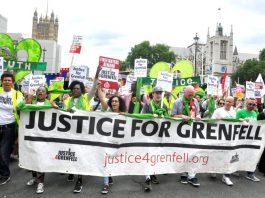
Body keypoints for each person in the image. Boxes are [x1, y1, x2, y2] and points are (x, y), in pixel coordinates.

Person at [63, 67, 100, 193]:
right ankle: (71, 171)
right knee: (71, 152)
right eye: (74, 88)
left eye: (78, 88)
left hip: (83, 131)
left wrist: (97, 74)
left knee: (80, 153)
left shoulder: (86, 98)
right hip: (70, 131)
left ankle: (79, 179)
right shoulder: (67, 100)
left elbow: (94, 88)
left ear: (82, 90)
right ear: (71, 89)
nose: (76, 90)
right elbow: (62, 113)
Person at [18, 86, 53, 194]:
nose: (40, 92)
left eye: (43, 91)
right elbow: (19, 107)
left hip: (43, 136)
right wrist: (27, 98)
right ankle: (34, 177)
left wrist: (55, 107)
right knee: (32, 157)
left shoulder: (49, 104)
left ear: (46, 94)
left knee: (40, 158)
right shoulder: (31, 102)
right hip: (30, 135)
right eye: (38, 91)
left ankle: (41, 182)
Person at [97, 85, 126, 194]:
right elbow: (101, 98)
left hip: (118, 142)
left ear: (120, 103)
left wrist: (125, 115)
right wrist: (99, 87)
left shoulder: (123, 114)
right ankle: (105, 184)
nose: (114, 103)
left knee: (113, 161)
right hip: (106, 141)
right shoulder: (107, 109)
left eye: (116, 101)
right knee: (106, 161)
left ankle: (109, 176)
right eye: (113, 101)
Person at [171, 85, 201, 187]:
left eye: (192, 95)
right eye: (189, 95)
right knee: (183, 152)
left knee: (193, 152)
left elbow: (198, 113)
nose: (191, 97)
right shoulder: (177, 102)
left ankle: (192, 175)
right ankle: (183, 173)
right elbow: (172, 116)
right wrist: (181, 116)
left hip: (192, 131)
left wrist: (198, 116)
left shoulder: (195, 102)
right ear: (185, 93)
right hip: (180, 132)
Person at [141, 86, 169, 192]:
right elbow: (142, 116)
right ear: (153, 94)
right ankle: (147, 177)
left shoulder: (164, 105)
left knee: (155, 155)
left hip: (159, 134)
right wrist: (152, 115)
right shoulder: (148, 104)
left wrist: (164, 114)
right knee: (148, 154)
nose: (158, 95)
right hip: (148, 133)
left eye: (160, 93)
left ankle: (153, 174)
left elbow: (168, 118)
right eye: (156, 93)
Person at [0, 72, 23, 185]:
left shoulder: (17, 94)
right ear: (2, 81)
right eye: (5, 80)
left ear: (12, 82)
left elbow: (19, 106)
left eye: (9, 80)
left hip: (9, 127)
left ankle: (5, 175)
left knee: (3, 152)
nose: (7, 82)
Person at [211, 96, 236, 186]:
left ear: (233, 103)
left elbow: (236, 123)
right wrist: (217, 119)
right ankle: (214, 169)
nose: (228, 103)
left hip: (229, 137)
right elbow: (211, 121)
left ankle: (226, 176)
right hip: (219, 137)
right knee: (217, 155)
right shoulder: (218, 111)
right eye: (226, 101)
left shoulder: (234, 111)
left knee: (228, 156)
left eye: (230, 102)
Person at [236, 98, 260, 182]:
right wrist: (242, 120)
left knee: (251, 154)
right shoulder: (240, 112)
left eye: (253, 105)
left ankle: (250, 173)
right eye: (250, 104)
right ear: (246, 103)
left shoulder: (254, 113)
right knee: (239, 153)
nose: (251, 106)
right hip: (241, 136)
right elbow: (235, 122)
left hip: (251, 137)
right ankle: (235, 169)